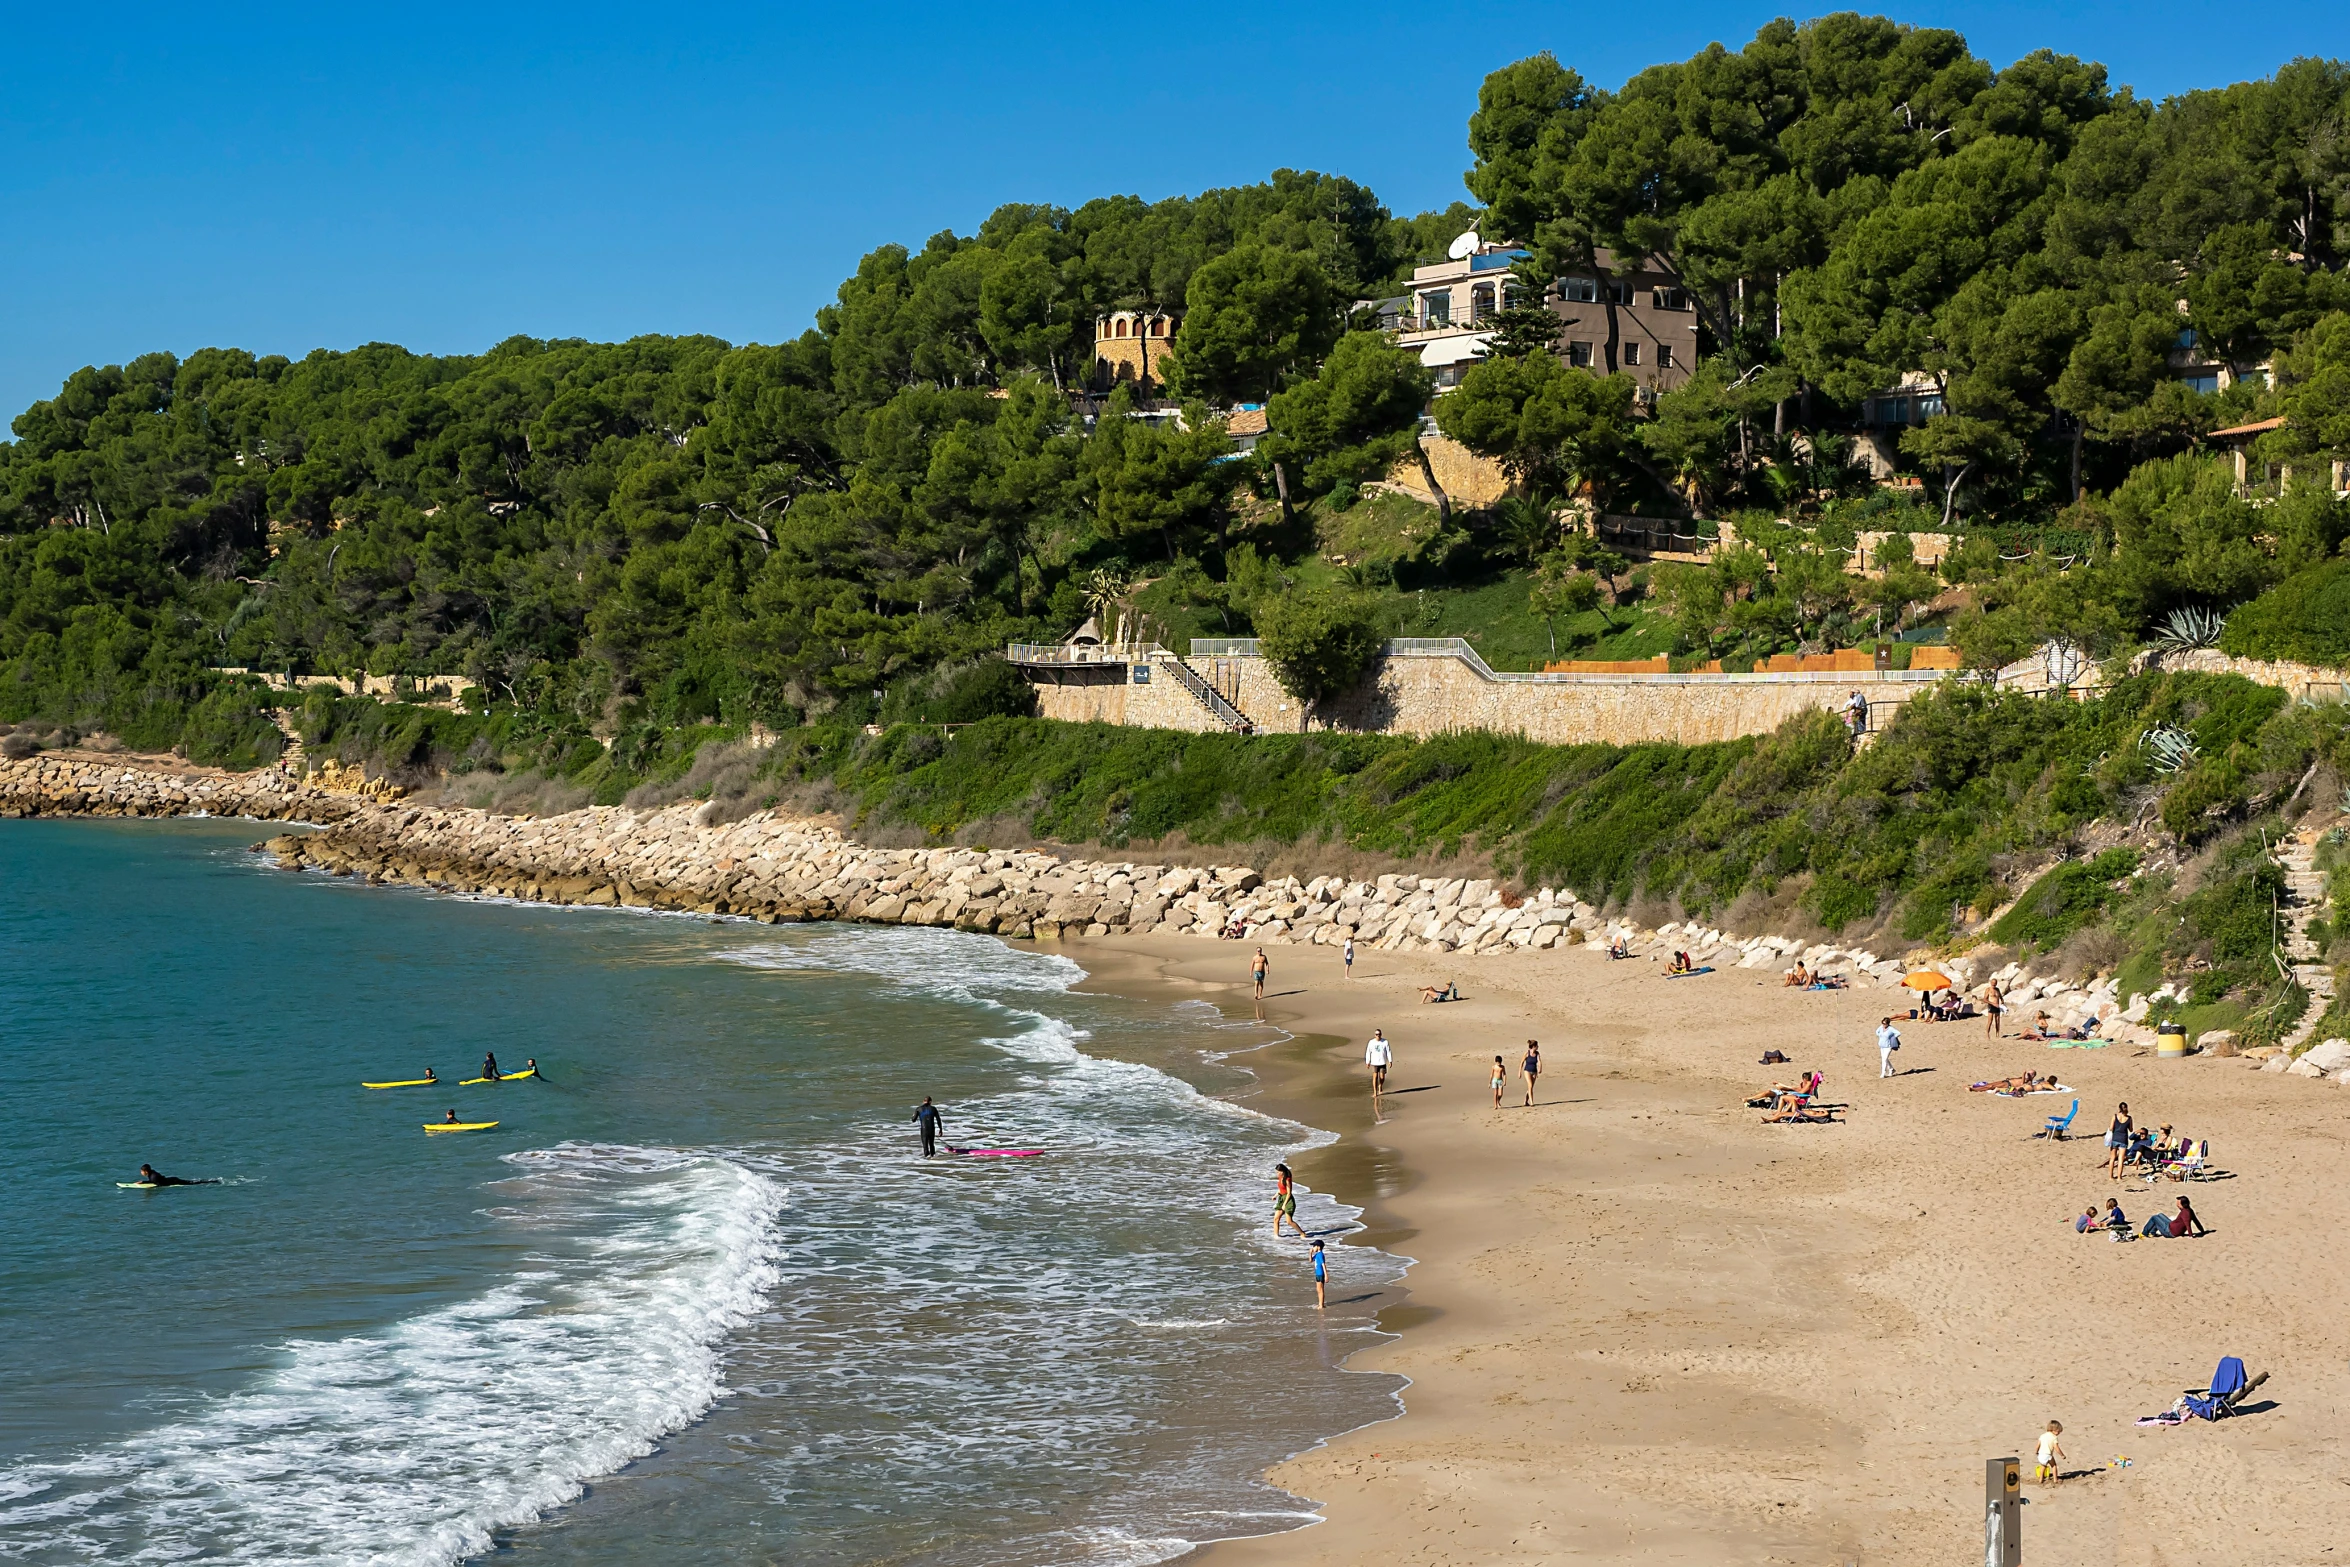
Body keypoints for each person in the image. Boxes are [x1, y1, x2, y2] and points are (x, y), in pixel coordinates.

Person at [1274, 1162, 1305, 1239]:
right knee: (1276, 1219)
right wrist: (1275, 1195)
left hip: (1288, 1201)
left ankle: (1302, 1233)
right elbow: (1281, 1189)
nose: (1277, 1173)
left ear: (1282, 1172)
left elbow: (1289, 1193)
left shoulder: (1287, 1179)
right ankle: (1276, 1236)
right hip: (1281, 1199)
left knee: (1289, 1221)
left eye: (1278, 1172)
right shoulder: (1280, 1178)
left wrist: (1284, 1204)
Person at [1364, 1028, 1392, 1109]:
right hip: (1374, 1063)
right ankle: (1375, 1092)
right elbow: (1368, 1052)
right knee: (1375, 1077)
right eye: (1376, 1034)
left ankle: (1380, 1085)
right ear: (1374, 1035)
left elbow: (1388, 1051)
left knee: (1382, 1077)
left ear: (1381, 1034)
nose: (1378, 1036)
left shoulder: (1385, 1042)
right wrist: (1368, 1062)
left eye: (1379, 1034)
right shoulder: (1371, 1042)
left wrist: (1390, 1061)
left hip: (1382, 1062)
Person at [2105, 1101, 2134, 1180]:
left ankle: (2111, 1177)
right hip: (2123, 1139)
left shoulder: (2115, 1116)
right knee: (2121, 1159)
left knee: (2112, 1158)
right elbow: (2131, 1129)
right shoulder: (2129, 1118)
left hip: (2115, 1138)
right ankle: (2119, 1177)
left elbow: (2111, 1128)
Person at [135, 1163, 214, 1187]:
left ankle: (212, 1181)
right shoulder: (152, 1173)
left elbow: (159, 1184)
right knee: (191, 1182)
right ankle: (210, 1181)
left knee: (192, 1183)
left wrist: (145, 1183)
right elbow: (152, 1181)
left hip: (174, 1181)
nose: (141, 1172)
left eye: (141, 1171)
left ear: (145, 1171)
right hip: (172, 1179)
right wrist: (143, 1182)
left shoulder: (153, 1176)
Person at [1520, 1039, 1541, 1107]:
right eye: (1537, 1045)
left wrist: (1540, 1068)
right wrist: (1519, 1072)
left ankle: (1525, 1101)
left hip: (1534, 1071)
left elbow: (1539, 1061)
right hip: (1527, 1071)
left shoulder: (1537, 1054)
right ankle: (1531, 1102)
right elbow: (1522, 1062)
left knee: (1530, 1087)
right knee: (1530, 1085)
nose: (1538, 1047)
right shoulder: (1527, 1053)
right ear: (1534, 1046)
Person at [1311, 1239, 1327, 1311]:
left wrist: (1326, 1275)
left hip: (1321, 1274)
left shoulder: (1320, 1255)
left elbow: (1323, 1265)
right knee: (1318, 1289)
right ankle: (1320, 1303)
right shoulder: (1317, 1255)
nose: (1313, 1247)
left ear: (1319, 1247)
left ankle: (1321, 1305)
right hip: (1317, 1274)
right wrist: (1310, 1253)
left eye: (1314, 1246)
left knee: (1320, 1290)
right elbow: (1310, 1260)